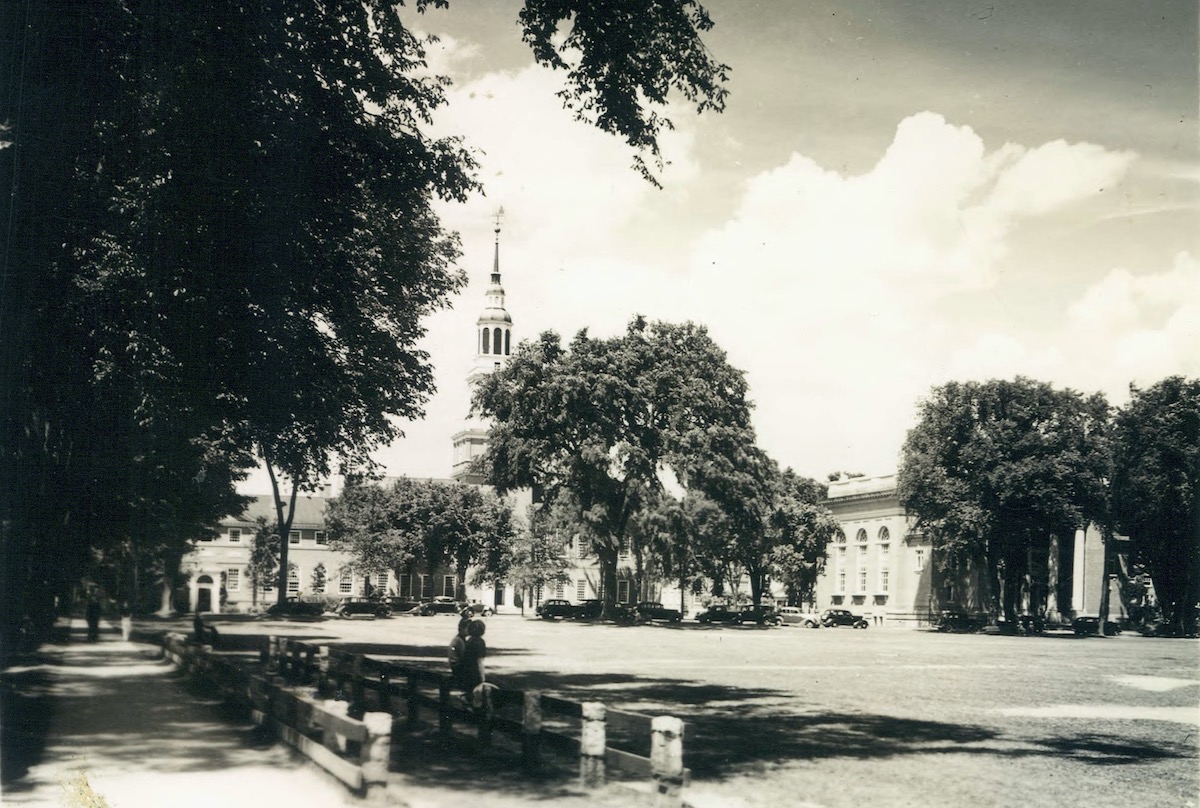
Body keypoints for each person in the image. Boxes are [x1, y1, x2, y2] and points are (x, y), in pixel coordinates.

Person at [447, 617, 470, 690]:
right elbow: (464, 657)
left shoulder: (459, 639)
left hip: (457, 666)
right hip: (458, 668)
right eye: (468, 628)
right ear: (462, 628)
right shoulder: (459, 641)